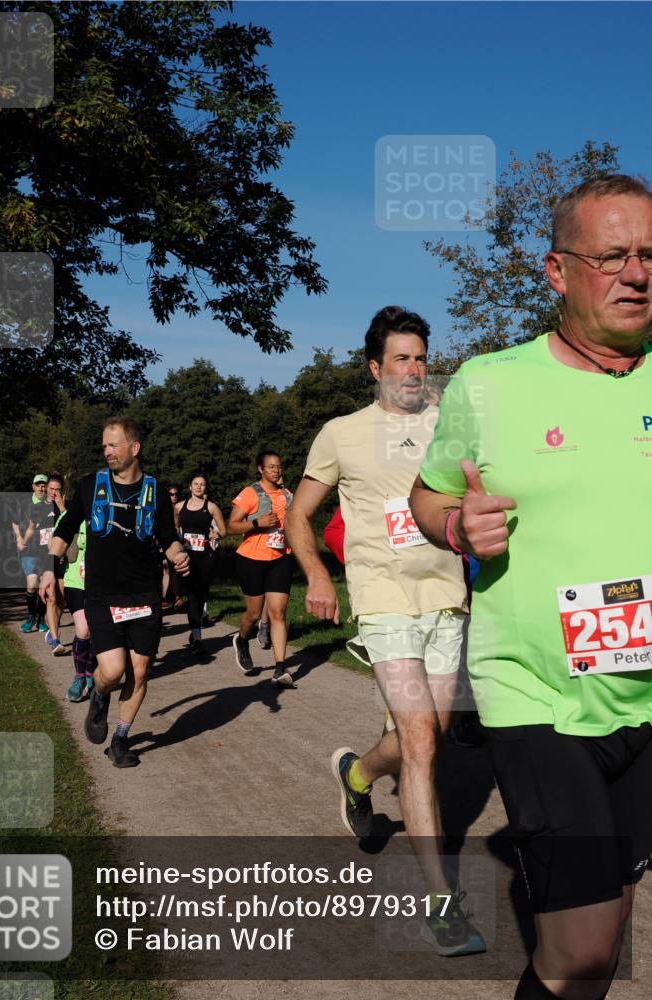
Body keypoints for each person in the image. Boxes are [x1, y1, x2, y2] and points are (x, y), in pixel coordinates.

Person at [409, 175, 652, 998]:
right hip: (535, 692)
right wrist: (456, 526)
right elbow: (428, 495)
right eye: (612, 256)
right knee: (582, 951)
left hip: (645, 698)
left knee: (605, 941)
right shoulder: (488, 383)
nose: (636, 273)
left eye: (649, 254)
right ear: (557, 271)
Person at [285, 305, 484, 957]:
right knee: (421, 740)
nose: (414, 369)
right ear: (375, 367)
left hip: (446, 597)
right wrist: (318, 574)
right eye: (401, 358)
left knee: (432, 733)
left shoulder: (449, 425)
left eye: (421, 357)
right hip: (382, 598)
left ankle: (357, 774)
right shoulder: (342, 434)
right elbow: (298, 515)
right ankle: (440, 904)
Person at [40, 417, 189, 768]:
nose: (106, 451)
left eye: (113, 445)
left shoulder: (156, 491)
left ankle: (120, 739)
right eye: (104, 445)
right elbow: (65, 528)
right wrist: (49, 568)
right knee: (112, 670)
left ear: (134, 448)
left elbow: (168, 537)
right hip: (102, 595)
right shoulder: (90, 485)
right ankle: (99, 693)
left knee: (140, 671)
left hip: (144, 595)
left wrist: (178, 555)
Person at [229, 451, 295, 688]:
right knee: (254, 613)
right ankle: (242, 639)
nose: (276, 471)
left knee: (278, 613)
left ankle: (280, 669)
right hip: (251, 559)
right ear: (260, 469)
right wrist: (257, 523)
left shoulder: (288, 495)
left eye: (279, 466)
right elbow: (231, 526)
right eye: (271, 467)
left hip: (281, 558)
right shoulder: (250, 493)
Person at [174, 474, 227, 657]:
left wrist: (216, 535)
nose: (199, 487)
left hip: (204, 558)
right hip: (186, 558)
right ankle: (197, 637)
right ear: (190, 487)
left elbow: (224, 530)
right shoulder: (179, 507)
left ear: (205, 488)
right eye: (195, 484)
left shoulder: (211, 507)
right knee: (192, 596)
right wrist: (177, 542)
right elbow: (173, 529)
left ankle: (195, 631)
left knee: (200, 595)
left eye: (202, 484)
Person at [57, 512, 96, 702]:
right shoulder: (70, 515)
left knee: (96, 631)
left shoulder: (109, 513)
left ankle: (90, 673)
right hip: (75, 581)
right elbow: (55, 544)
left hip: (101, 583)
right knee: (84, 629)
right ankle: (79, 677)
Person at [12, 475, 51, 633]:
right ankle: (31, 616)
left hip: (47, 551)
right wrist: (18, 538)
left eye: (43, 485)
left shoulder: (51, 503)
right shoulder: (24, 504)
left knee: (44, 585)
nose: (41, 488)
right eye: (38, 485)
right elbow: (15, 522)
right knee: (32, 584)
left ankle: (41, 619)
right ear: (33, 487)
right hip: (29, 549)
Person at [42, 471, 68, 655]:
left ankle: (53, 629)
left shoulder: (67, 506)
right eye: (51, 489)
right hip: (44, 557)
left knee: (61, 599)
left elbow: (72, 527)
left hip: (63, 559)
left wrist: (62, 507)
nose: (53, 492)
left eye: (57, 489)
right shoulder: (38, 508)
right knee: (51, 597)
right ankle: (55, 640)